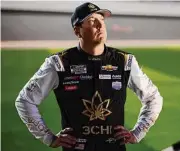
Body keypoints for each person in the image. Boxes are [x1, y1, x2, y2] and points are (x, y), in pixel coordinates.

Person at [15, 2, 163, 151]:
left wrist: (138, 132)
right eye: (92, 21)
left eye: (102, 21)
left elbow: (153, 97)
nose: (100, 26)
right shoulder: (58, 63)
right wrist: (48, 137)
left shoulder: (125, 61)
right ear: (77, 31)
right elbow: (24, 100)